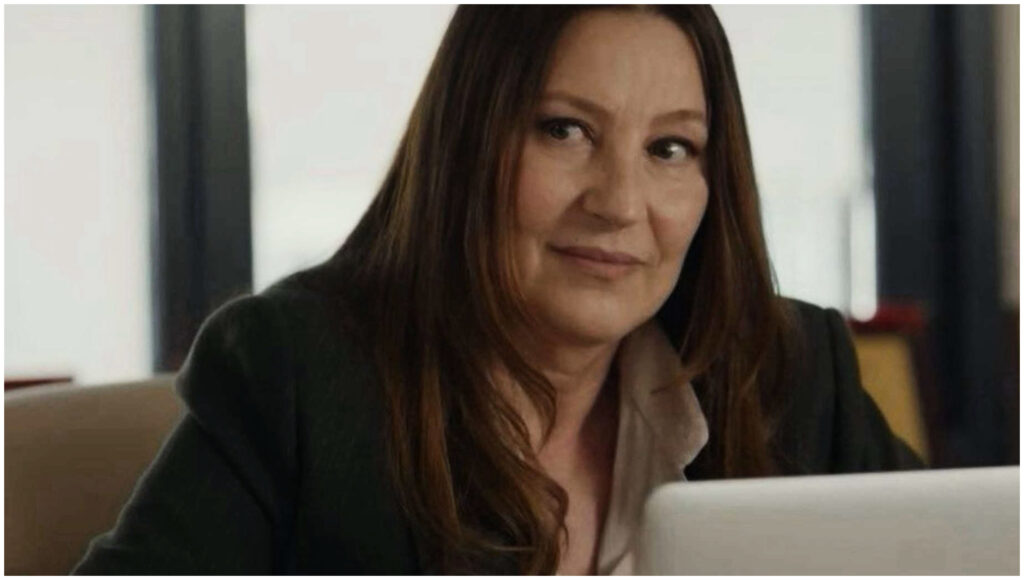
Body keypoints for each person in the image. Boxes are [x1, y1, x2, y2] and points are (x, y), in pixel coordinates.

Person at [74, 5, 922, 575]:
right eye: (565, 130)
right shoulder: (295, 374)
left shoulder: (792, 375)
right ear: (467, 146)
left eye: (670, 149)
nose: (620, 204)